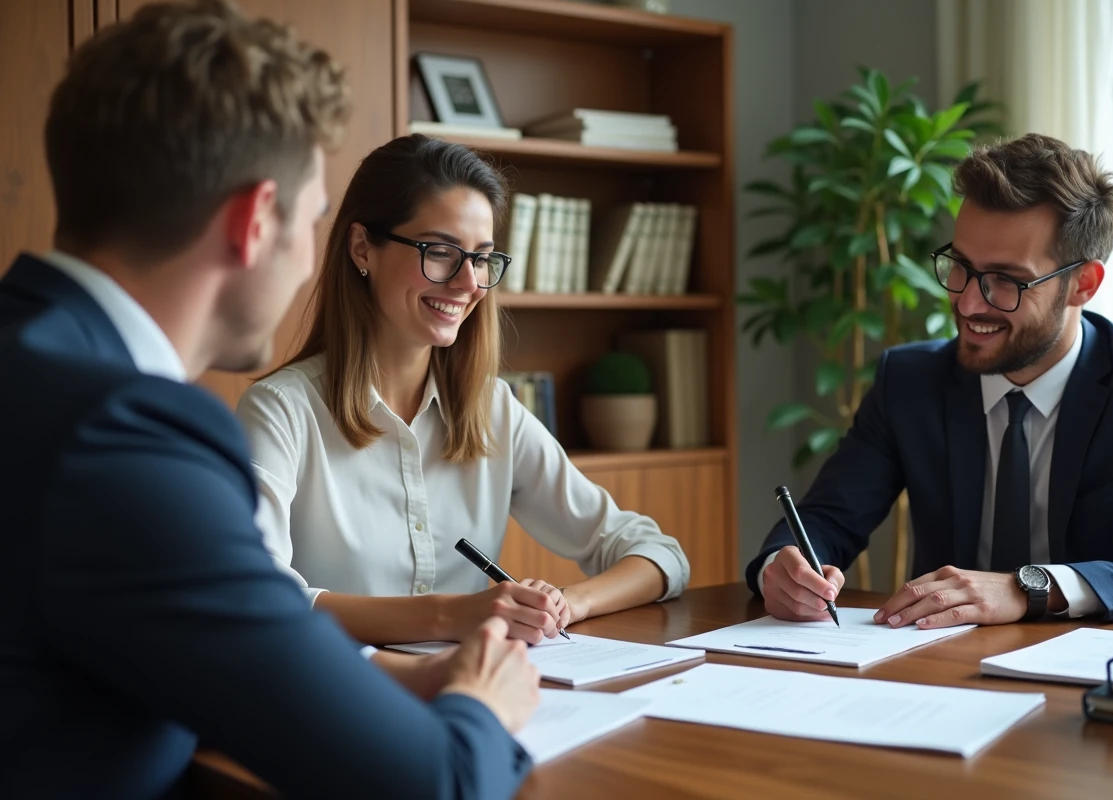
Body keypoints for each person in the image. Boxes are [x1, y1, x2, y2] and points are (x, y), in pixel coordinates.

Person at [0, 2, 539, 798]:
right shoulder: (125, 438)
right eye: (314, 217)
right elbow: (436, 784)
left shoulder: (29, 358)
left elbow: (162, 656)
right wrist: (484, 706)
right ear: (255, 222)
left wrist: (380, 686)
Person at [234, 134, 690, 647]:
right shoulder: (281, 411)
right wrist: (450, 616)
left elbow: (657, 553)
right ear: (363, 247)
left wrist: (564, 605)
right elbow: (258, 596)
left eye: (481, 259)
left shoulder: (492, 408)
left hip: (477, 692)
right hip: (344, 700)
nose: (468, 282)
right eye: (440, 252)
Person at [747, 133, 1113, 629]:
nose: (967, 303)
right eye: (960, 266)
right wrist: (782, 568)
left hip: (1090, 671)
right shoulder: (908, 381)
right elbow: (828, 518)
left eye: (1006, 279)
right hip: (935, 665)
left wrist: (1030, 587)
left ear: (1082, 284)